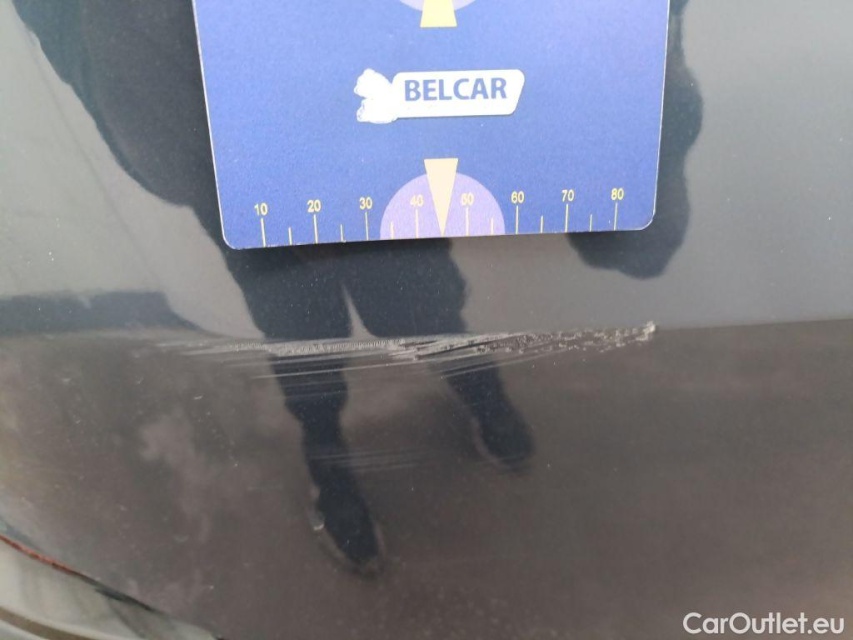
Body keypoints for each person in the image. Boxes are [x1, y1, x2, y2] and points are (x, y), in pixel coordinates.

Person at [15, 0, 534, 575]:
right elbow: (150, 138)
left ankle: (482, 395)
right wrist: (260, 193)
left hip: (369, 144)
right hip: (233, 175)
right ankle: (328, 457)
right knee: (306, 335)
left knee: (417, 304)